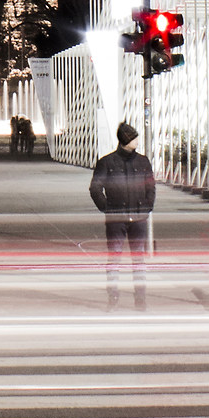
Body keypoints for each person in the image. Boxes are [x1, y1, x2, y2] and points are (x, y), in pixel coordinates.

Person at [87, 122, 155, 310]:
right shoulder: (107, 162)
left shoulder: (143, 162)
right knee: (114, 258)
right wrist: (107, 208)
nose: (138, 141)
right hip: (116, 218)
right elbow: (95, 188)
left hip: (138, 218)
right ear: (126, 140)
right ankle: (113, 297)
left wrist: (147, 207)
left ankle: (140, 299)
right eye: (134, 138)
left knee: (138, 259)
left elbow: (151, 187)